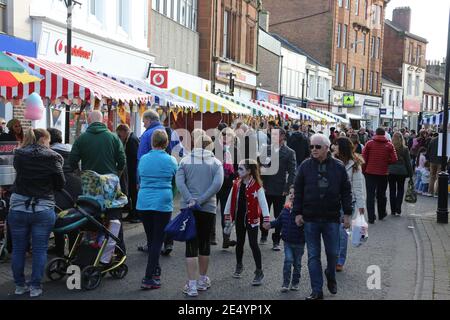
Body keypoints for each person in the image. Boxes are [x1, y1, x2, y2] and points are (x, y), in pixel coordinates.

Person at [292, 133, 352, 300]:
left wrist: (347, 214)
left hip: (332, 218)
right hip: (310, 218)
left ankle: (330, 274)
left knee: (332, 253)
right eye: (312, 146)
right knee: (313, 255)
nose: (314, 149)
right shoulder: (305, 166)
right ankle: (317, 291)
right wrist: (297, 213)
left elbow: (346, 191)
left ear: (327, 148)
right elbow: (298, 191)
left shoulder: (338, 167)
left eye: (317, 146)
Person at [9, 128, 65, 297]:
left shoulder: (18, 155)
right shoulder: (53, 157)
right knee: (40, 249)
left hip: (18, 207)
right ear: (43, 140)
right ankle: (35, 287)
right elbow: (60, 183)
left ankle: (19, 286)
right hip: (42, 207)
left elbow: (19, 175)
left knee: (18, 249)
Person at [69, 110, 127, 255]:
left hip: (90, 188)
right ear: (103, 121)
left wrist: (80, 174)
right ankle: (118, 252)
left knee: (91, 219)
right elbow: (122, 161)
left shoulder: (81, 138)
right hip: (110, 188)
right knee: (114, 220)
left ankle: (90, 252)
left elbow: (72, 161)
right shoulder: (113, 137)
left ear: (88, 121)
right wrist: (116, 175)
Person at [176, 134, 224, 297]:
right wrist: (202, 200)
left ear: (195, 145)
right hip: (208, 207)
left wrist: (190, 199)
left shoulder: (184, 161)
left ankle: (192, 285)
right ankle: (202, 280)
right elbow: (217, 185)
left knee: (191, 245)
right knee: (204, 243)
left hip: (188, 207)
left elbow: (179, 183)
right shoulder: (216, 163)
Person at [137, 130, 178, 290]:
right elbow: (177, 180)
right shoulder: (171, 160)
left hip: (144, 202)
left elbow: (140, 177)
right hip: (162, 202)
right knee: (157, 242)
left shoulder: (144, 159)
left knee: (151, 239)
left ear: (152, 142)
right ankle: (148, 277)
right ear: (166, 143)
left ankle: (155, 271)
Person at [224, 159, 269, 285]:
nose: (238, 171)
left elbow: (264, 204)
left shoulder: (256, 186)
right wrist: (227, 216)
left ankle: (259, 271)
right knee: (240, 243)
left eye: (241, 169)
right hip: (239, 218)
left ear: (249, 171)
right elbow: (229, 200)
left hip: (252, 219)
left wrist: (266, 219)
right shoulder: (236, 184)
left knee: (253, 244)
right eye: (238, 168)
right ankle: (239, 265)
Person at [46, 128, 82, 257]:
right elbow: (80, 167)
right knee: (74, 217)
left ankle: (59, 249)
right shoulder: (71, 148)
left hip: (60, 187)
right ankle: (73, 251)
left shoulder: (50, 153)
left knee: (60, 216)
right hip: (76, 186)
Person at [332, 137, 365, 272]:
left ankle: (340, 260)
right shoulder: (331, 161)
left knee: (342, 232)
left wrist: (361, 206)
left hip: (346, 202)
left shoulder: (355, 164)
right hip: (331, 201)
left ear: (343, 148)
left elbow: (358, 187)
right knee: (332, 231)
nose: (334, 147)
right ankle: (333, 256)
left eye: (336, 145)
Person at [263, 185, 305, 292]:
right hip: (287, 241)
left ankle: (295, 283)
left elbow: (308, 225)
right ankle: (285, 283)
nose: (292, 195)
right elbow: (279, 221)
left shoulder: (303, 211)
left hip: (299, 242)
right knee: (288, 260)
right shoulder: (286, 209)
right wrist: (269, 225)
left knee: (297, 264)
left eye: (295, 194)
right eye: (290, 193)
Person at [260, 128, 296, 250]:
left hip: (280, 187)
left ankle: (276, 240)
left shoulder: (289, 152)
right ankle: (263, 234)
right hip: (266, 186)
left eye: (276, 134)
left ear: (282, 136)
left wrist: (288, 187)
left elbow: (292, 172)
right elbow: (260, 168)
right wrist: (260, 184)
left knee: (278, 215)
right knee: (264, 213)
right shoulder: (266, 149)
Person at [362, 128, 398, 224]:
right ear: (384, 134)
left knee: (370, 195)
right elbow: (395, 159)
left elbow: (363, 158)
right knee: (381, 194)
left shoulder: (369, 144)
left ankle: (371, 217)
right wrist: (386, 162)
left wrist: (364, 170)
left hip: (370, 172)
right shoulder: (389, 145)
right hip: (383, 173)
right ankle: (381, 213)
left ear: (375, 133)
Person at [213, 125, 238, 249]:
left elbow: (238, 168)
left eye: (228, 135)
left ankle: (225, 238)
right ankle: (211, 236)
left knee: (225, 212)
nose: (225, 137)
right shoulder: (214, 148)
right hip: (214, 183)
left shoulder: (235, 150)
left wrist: (233, 176)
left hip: (228, 185)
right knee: (211, 210)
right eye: (223, 135)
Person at [116, 124, 140, 223]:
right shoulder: (129, 139)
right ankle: (132, 213)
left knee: (134, 193)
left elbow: (134, 157)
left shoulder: (132, 140)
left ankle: (136, 215)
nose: (119, 137)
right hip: (130, 170)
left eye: (119, 134)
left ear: (124, 131)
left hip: (133, 171)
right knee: (130, 192)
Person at [388, 132, 413, 216]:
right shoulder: (405, 149)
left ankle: (393, 210)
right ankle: (398, 207)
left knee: (392, 190)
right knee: (400, 189)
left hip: (391, 171)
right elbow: (408, 162)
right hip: (402, 172)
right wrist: (410, 173)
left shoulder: (390, 147)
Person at [427, 133, 440, 197]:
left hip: (432, 160)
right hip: (440, 161)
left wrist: (429, 159)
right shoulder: (445, 141)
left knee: (432, 176)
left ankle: (430, 192)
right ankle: (436, 192)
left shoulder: (432, 140)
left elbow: (428, 150)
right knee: (438, 177)